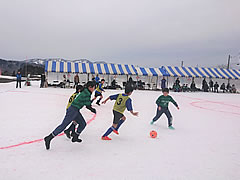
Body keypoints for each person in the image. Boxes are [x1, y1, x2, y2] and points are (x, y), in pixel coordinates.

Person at [44, 81, 96, 150]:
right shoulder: (86, 93)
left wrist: (90, 107)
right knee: (63, 126)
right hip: (72, 110)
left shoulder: (86, 92)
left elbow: (86, 103)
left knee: (82, 124)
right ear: (90, 87)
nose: (94, 89)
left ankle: (75, 137)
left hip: (76, 110)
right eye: (94, 88)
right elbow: (87, 105)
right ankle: (49, 138)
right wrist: (92, 109)